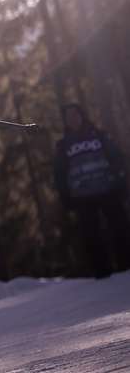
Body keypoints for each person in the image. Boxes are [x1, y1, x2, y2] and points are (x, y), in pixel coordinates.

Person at [53, 103, 130, 278]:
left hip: (108, 190)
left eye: (75, 115)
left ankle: (126, 266)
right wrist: (65, 196)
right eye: (68, 117)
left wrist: (121, 181)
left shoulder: (100, 136)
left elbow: (117, 158)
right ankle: (102, 272)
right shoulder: (63, 145)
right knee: (91, 236)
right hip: (82, 197)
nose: (73, 119)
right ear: (65, 121)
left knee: (120, 228)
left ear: (82, 116)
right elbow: (59, 173)